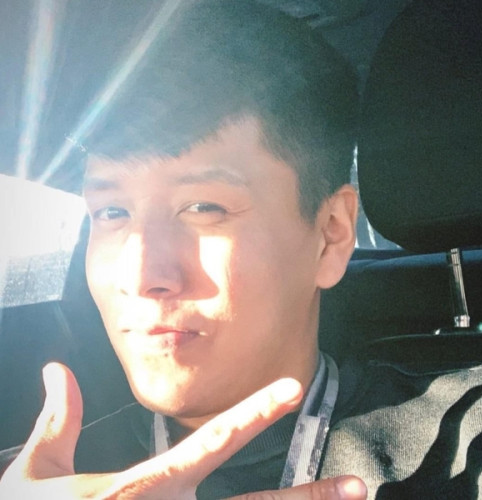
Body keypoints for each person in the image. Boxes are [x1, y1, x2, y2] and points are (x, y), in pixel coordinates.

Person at [0, 0, 367, 498]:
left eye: (203, 207)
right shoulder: (31, 481)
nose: (141, 275)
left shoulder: (466, 446)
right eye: (112, 212)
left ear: (330, 235)